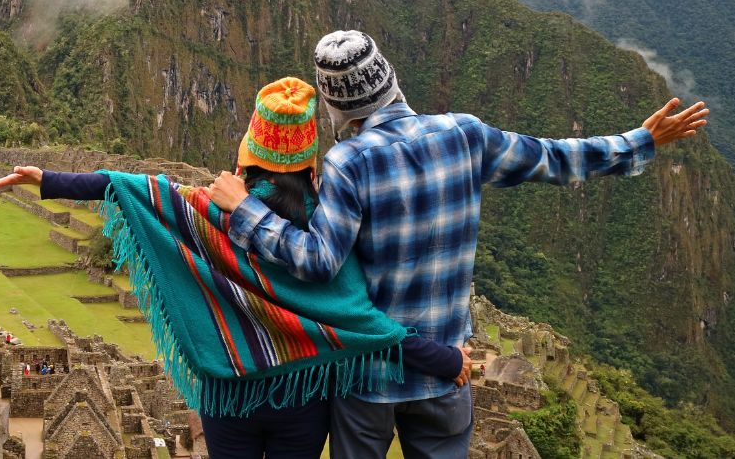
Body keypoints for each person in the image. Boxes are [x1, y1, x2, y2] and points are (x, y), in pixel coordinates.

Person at [204, 30, 708, 458]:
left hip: (367, 379)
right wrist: (639, 142)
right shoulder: (464, 134)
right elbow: (554, 158)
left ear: (333, 106)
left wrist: (244, 209)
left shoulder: (349, 163)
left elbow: (318, 261)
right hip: (446, 367)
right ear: (392, 80)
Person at [0, 77, 470, 458]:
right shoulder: (325, 225)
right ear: (309, 164)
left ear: (248, 155)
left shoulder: (205, 212)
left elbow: (136, 188)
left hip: (226, 395)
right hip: (300, 397)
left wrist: (48, 178)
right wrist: (444, 360)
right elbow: (360, 319)